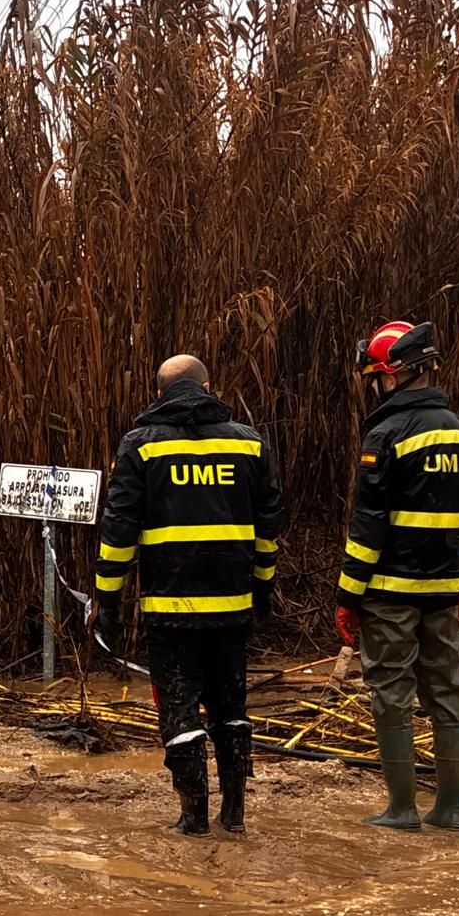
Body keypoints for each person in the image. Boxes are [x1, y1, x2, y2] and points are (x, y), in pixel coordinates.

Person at [92, 355, 286, 837]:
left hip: (171, 612)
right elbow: (269, 528)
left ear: (159, 395)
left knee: (178, 709)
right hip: (233, 609)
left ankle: (193, 817)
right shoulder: (249, 443)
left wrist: (107, 602)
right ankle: (235, 815)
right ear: (207, 387)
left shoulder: (140, 446)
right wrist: (263, 588)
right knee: (230, 706)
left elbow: (118, 534)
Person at [335, 321, 459, 832]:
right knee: (448, 689)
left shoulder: (385, 435)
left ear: (394, 374)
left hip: (389, 592)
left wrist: (348, 594)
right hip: (444, 591)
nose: (375, 386)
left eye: (376, 377)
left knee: (391, 692)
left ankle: (401, 809)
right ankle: (451, 810)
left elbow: (368, 527)